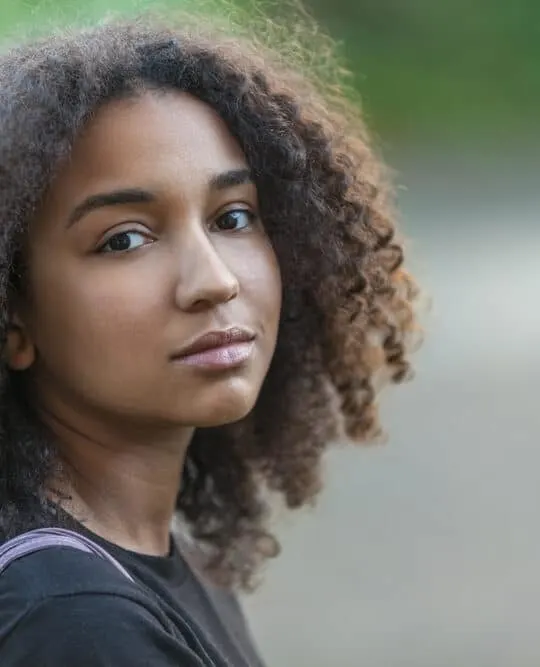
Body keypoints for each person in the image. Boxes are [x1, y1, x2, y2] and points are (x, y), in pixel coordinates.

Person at [0, 7, 419, 666]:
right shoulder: (76, 622)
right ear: (11, 317)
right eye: (125, 238)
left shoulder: (138, 562)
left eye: (233, 217)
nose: (214, 280)